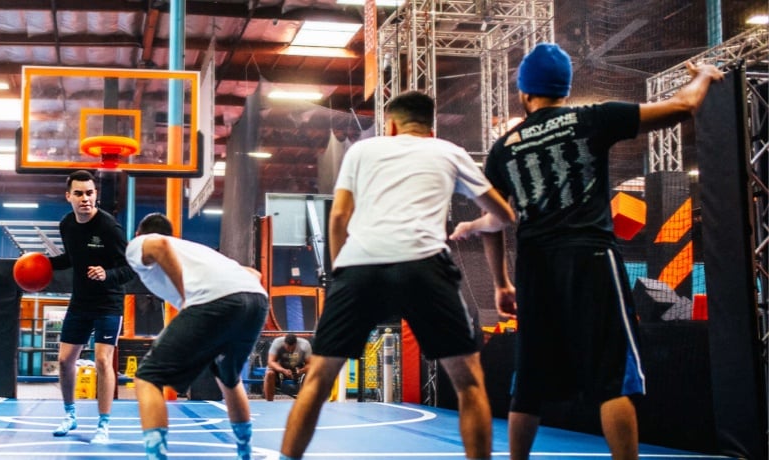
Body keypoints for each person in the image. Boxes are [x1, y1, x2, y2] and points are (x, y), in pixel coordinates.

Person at [463, 43, 723, 460]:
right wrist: (705, 75)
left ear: (524, 94)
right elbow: (683, 105)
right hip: (590, 257)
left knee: (528, 383)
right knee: (612, 377)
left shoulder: (504, 148)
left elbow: (494, 221)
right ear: (564, 90)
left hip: (535, 266)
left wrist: (501, 283)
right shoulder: (592, 117)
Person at [279, 90, 516, 460]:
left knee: (318, 380)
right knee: (470, 384)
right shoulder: (450, 152)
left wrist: (342, 276)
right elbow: (504, 216)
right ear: (431, 125)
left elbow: (339, 217)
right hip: (424, 265)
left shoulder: (363, 150)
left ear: (390, 124)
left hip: (360, 266)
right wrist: (473, 225)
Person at [126, 213, 269, 460]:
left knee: (148, 377)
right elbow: (253, 274)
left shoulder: (140, 244)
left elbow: (159, 245)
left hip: (213, 301)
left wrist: (184, 296)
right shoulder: (196, 251)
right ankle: (245, 454)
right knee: (229, 377)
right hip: (255, 299)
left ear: (140, 234)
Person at [47, 170, 137, 444]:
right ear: (68, 196)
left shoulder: (110, 227)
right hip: (80, 301)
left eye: (89, 193)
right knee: (64, 361)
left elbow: (129, 267)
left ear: (96, 195)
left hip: (108, 303)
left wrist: (107, 275)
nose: (84, 198)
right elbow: (70, 259)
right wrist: (40, 263)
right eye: (78, 193)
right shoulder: (66, 225)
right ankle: (69, 414)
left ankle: (103, 425)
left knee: (101, 360)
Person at [264, 333, 311, 400]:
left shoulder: (305, 345)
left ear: (296, 344)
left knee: (312, 373)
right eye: (288, 348)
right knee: (269, 374)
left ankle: (305, 400)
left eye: (293, 348)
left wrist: (301, 371)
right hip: (280, 368)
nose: (290, 351)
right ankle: (269, 402)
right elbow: (271, 362)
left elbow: (310, 364)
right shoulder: (277, 343)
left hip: (298, 368)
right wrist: (283, 370)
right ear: (284, 343)